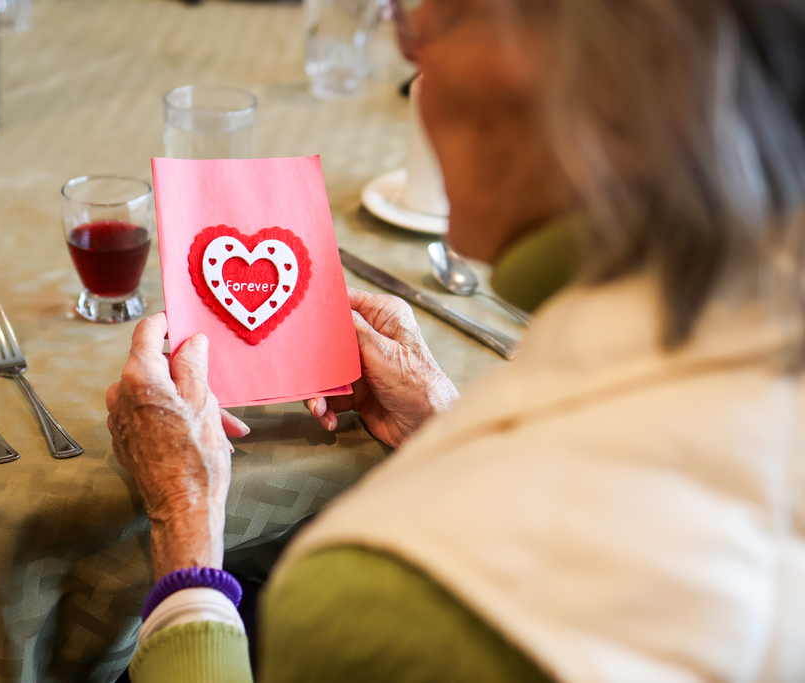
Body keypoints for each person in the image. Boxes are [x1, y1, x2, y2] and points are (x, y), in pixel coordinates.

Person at [107, 0, 805, 680]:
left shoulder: (386, 602)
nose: (414, 71)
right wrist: (444, 414)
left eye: (426, 24)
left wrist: (186, 531)